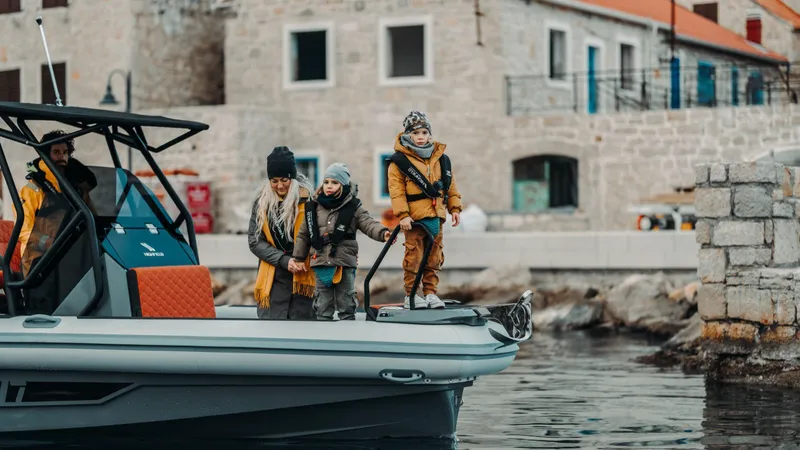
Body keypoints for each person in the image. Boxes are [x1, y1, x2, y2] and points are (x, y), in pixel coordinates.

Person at [292, 163, 391, 321]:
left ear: (343, 185)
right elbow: (303, 235)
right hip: (320, 261)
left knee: (346, 301)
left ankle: (348, 334)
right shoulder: (313, 207)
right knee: (322, 304)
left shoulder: (353, 207)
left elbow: (368, 223)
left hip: (344, 262)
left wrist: (383, 233)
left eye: (334, 183)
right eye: (326, 182)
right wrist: (298, 258)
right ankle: (324, 335)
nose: (329, 186)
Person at [16, 129, 97, 315]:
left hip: (72, 258)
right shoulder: (32, 189)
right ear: (45, 154)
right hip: (40, 261)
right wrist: (47, 242)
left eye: (65, 152)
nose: (62, 157)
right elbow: (23, 230)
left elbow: (92, 216)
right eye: (56, 152)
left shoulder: (74, 188)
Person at [387, 111, 462, 310]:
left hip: (436, 216)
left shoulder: (441, 159)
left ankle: (430, 293)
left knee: (435, 257)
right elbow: (396, 191)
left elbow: (451, 186)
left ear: (430, 134)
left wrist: (454, 208)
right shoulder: (399, 161)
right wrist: (402, 215)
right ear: (408, 135)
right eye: (416, 133)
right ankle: (411, 294)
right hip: (414, 219)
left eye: (424, 132)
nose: (421, 137)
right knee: (414, 257)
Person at [248, 146, 317, 320]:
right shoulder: (261, 203)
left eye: (284, 180)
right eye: (274, 180)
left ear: (292, 178)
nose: (279, 186)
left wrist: (305, 257)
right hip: (273, 278)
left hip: (304, 275)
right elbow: (255, 241)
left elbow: (318, 235)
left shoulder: (308, 201)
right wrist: (285, 261)